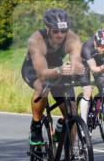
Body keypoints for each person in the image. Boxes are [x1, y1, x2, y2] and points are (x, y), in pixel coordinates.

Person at [21, 8, 85, 145]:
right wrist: (60, 70)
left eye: (63, 31)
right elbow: (42, 73)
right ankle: (36, 126)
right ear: (47, 28)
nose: (60, 35)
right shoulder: (36, 40)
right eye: (56, 31)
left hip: (57, 66)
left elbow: (75, 60)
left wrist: (77, 68)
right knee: (42, 86)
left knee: (72, 114)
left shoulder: (72, 39)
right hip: (34, 68)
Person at [79, 29, 104, 124]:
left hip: (98, 61)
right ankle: (84, 123)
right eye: (100, 46)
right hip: (83, 63)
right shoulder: (87, 47)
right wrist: (103, 67)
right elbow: (93, 68)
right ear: (95, 42)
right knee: (88, 90)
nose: (103, 49)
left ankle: (97, 103)